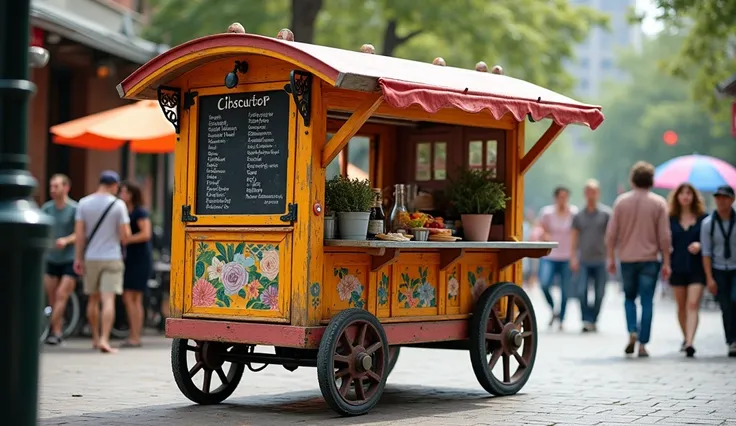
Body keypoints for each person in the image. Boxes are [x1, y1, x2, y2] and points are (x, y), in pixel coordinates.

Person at [605, 161, 671, 357]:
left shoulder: (621, 202)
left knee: (629, 298)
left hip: (627, 258)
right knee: (648, 301)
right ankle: (643, 343)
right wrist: (667, 261)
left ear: (632, 180)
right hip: (650, 259)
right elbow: (664, 236)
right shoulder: (659, 203)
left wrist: (610, 258)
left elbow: (611, 234)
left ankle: (632, 330)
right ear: (651, 180)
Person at [74, 171, 131, 354]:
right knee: (108, 300)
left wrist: (78, 258)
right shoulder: (118, 205)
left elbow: (80, 235)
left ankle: (95, 338)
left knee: (93, 299)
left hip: (91, 257)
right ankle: (105, 340)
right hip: (112, 256)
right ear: (113, 185)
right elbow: (125, 236)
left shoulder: (83, 203)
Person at [667, 183, 707, 357]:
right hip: (677, 266)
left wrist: (700, 245)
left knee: (692, 304)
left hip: (697, 267)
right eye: (682, 193)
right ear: (677, 197)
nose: (685, 196)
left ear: (694, 197)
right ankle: (685, 337)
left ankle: (690, 341)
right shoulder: (670, 219)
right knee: (681, 306)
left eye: (689, 193)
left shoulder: (703, 219)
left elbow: (710, 241)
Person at [570, 179, 611, 333]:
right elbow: (574, 237)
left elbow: (611, 236)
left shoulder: (606, 214)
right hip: (584, 260)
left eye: (594, 191)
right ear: (584, 194)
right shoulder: (578, 215)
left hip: (601, 259)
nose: (591, 195)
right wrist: (573, 257)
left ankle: (593, 319)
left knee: (600, 293)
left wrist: (612, 257)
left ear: (598, 193)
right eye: (588, 191)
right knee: (581, 291)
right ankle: (586, 319)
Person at [42, 174, 78, 345]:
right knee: (52, 297)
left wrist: (66, 240)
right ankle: (56, 331)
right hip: (51, 257)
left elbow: (80, 233)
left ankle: (50, 329)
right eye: (51, 186)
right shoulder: (47, 209)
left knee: (61, 294)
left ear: (66, 188)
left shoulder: (74, 209)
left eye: (56, 186)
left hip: (69, 258)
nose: (53, 189)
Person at [700, 185, 736, 357]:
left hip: (735, 268)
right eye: (718, 197)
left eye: (725, 197)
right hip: (719, 269)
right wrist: (709, 278)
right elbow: (706, 252)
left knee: (735, 300)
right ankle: (731, 341)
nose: (721, 201)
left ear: (732, 200)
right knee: (726, 306)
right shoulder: (708, 224)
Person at [538, 186, 579, 330]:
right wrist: (545, 235)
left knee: (565, 289)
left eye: (565, 197)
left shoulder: (574, 213)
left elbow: (577, 234)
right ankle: (553, 309)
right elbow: (541, 228)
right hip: (550, 255)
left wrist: (575, 256)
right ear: (555, 198)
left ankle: (561, 318)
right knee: (544, 284)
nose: (563, 200)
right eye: (560, 197)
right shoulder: (547, 213)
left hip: (567, 255)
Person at [119, 181, 153, 348]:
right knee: (128, 297)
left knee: (134, 297)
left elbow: (146, 234)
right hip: (130, 258)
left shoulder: (140, 212)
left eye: (124, 192)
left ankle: (136, 335)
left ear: (131, 194)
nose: (121, 195)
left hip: (140, 257)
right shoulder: (125, 211)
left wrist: (127, 240)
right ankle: (133, 333)